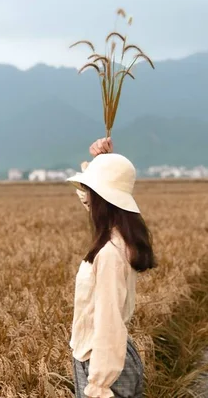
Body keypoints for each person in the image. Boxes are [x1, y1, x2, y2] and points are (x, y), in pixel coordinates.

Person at [66, 137, 157, 398]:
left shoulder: (109, 253)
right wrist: (100, 163)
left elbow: (108, 321)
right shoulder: (119, 238)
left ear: (102, 201)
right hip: (110, 357)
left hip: (103, 362)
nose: (88, 201)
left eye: (92, 194)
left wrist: (98, 385)